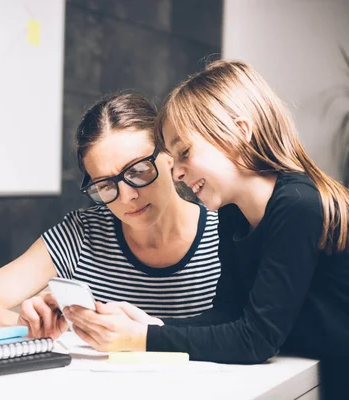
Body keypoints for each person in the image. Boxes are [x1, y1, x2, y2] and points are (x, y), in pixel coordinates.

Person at [63, 61, 349, 398]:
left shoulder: (299, 204)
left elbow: (257, 340)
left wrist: (139, 339)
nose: (178, 173)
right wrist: (150, 326)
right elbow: (229, 313)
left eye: (184, 153)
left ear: (240, 131)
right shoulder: (232, 214)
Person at [0, 93, 221, 339]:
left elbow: (252, 335)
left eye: (138, 171)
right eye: (105, 185)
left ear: (170, 156)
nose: (126, 196)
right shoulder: (82, 234)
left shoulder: (225, 233)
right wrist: (31, 328)